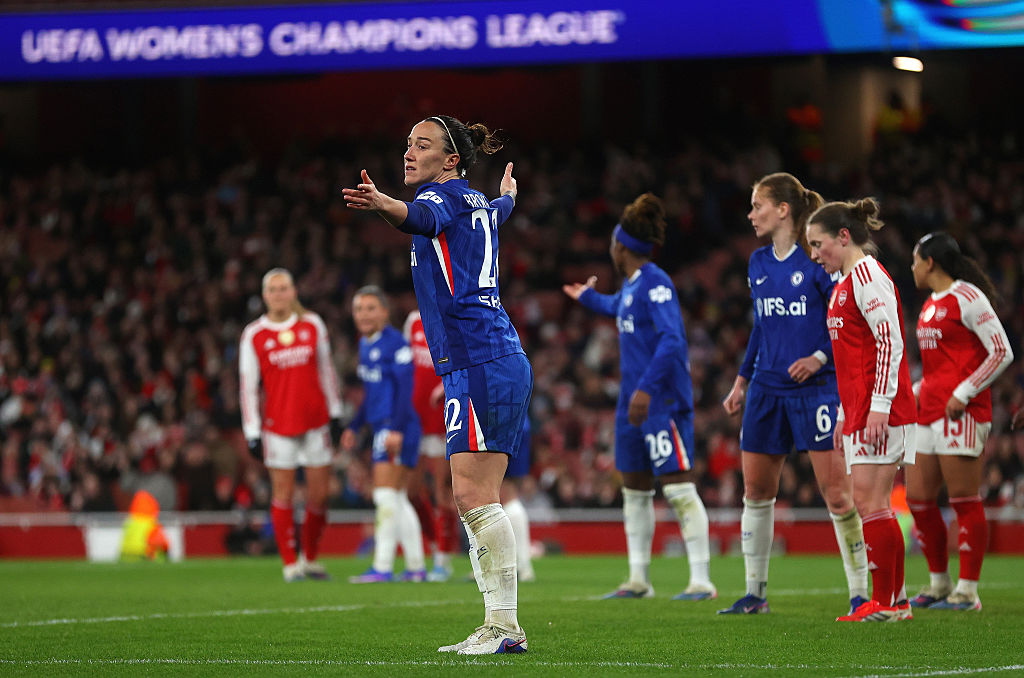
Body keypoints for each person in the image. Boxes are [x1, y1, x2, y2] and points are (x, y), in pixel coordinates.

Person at [343, 114, 532, 655]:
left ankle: (504, 626)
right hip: (486, 358)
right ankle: (498, 623)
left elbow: (418, 219)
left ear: (451, 161)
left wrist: (385, 206)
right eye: (407, 143)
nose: (408, 152)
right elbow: (497, 212)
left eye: (421, 145)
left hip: (480, 360)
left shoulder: (441, 199)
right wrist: (509, 199)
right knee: (471, 495)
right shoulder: (479, 204)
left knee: (475, 495)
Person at [718, 173, 868, 616]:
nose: (751, 215)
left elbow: (843, 320)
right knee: (757, 490)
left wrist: (821, 358)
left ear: (783, 209)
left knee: (836, 493)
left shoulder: (816, 260)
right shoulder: (757, 262)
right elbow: (761, 326)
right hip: (766, 389)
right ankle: (755, 593)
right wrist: (742, 381)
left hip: (816, 390)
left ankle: (860, 591)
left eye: (757, 205)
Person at [563, 193, 716, 602]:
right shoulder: (632, 288)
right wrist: (588, 298)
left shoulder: (657, 282)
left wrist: (646, 390)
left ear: (621, 247)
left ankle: (701, 580)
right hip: (633, 404)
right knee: (633, 488)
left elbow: (672, 341)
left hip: (659, 402)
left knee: (678, 488)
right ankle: (638, 580)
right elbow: (617, 306)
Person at [805, 198, 917, 622]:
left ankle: (888, 603)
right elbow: (850, 358)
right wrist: (841, 415)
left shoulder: (868, 276)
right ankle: (896, 599)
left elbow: (890, 342)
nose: (815, 255)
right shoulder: (843, 283)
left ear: (844, 236)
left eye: (818, 244)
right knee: (872, 504)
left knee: (872, 504)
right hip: (860, 408)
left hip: (879, 409)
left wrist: (879, 407)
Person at [906, 232, 1013, 611]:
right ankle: (939, 584)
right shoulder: (929, 305)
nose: (913, 267)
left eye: (916, 259)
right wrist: (915, 390)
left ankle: (968, 592)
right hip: (927, 410)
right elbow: (939, 367)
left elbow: (1002, 351)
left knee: (964, 500)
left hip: (962, 412)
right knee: (918, 499)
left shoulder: (968, 298)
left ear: (931, 263)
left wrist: (964, 392)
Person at [239, 268, 342, 582]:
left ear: (294, 291)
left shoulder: (312, 324)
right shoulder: (254, 334)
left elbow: (327, 371)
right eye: (273, 289)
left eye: (284, 288)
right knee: (282, 494)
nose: (279, 294)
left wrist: (335, 411)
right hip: (277, 425)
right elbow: (248, 386)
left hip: (315, 422)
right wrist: (252, 431)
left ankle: (309, 559)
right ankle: (289, 564)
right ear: (265, 295)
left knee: (320, 495)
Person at [342, 286, 426, 583]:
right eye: (358, 309)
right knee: (397, 498)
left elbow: (407, 391)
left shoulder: (395, 344)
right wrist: (354, 426)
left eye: (370, 308)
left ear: (384, 312)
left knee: (385, 495)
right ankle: (415, 568)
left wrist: (395, 428)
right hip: (383, 426)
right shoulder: (366, 344)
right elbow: (371, 394)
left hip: (396, 426)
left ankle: (383, 566)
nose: (363, 314)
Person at [403, 309, 459, 582]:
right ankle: (436, 543)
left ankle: (443, 559)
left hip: (442, 418)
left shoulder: (455, 314)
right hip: (415, 419)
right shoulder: (414, 320)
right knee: (412, 491)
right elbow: (407, 367)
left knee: (442, 491)